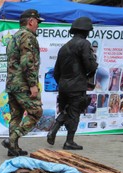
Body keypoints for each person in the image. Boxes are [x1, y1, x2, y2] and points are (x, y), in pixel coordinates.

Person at [47, 17, 98, 150]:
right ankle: (69, 141)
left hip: (63, 86)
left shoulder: (64, 47)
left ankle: (54, 129)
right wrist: (94, 65)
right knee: (74, 113)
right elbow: (89, 66)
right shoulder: (84, 44)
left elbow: (56, 71)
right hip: (77, 87)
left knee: (66, 109)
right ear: (86, 31)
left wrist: (63, 84)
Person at [2, 9, 44, 157]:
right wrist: (33, 84)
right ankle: (12, 139)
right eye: (37, 22)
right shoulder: (27, 36)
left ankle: (13, 148)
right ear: (31, 21)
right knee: (36, 112)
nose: (38, 25)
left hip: (12, 84)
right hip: (23, 85)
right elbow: (27, 62)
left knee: (16, 116)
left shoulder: (14, 37)